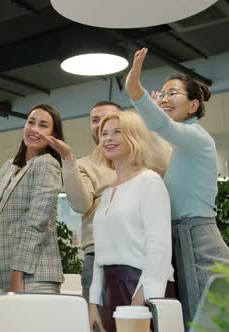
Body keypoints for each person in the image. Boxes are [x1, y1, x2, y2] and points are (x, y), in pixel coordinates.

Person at [125, 47, 229, 326]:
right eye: (162, 94)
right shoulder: (180, 147)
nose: (164, 98)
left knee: (206, 322)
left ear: (193, 106)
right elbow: (157, 133)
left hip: (200, 243)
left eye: (172, 93)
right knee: (188, 320)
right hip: (181, 240)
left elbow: (160, 125)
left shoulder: (197, 138)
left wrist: (135, 88)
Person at [88, 112, 176, 332]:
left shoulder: (150, 181)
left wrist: (142, 300)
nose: (108, 138)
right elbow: (101, 253)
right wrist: (92, 303)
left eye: (117, 131)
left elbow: (160, 249)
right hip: (111, 290)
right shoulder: (108, 192)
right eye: (104, 134)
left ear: (134, 136)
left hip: (142, 287)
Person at [38, 101, 120, 303]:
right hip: (97, 254)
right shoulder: (83, 165)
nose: (101, 124)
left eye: (108, 118)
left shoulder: (141, 162)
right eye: (95, 120)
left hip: (139, 253)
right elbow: (81, 204)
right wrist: (68, 159)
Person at [0, 104, 65, 293]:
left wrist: (18, 274)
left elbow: (37, 223)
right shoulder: (9, 167)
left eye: (43, 125)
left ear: (53, 135)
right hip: (8, 274)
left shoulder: (47, 163)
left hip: (34, 275)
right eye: (31, 122)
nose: (34, 129)